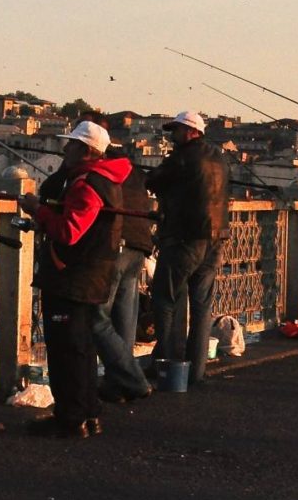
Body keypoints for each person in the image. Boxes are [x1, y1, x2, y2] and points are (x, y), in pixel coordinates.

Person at [18, 120, 129, 437]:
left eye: (72, 144)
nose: (65, 149)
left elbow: (69, 231)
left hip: (72, 276)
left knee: (66, 351)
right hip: (91, 273)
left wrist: (38, 210)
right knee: (81, 348)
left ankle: (71, 419)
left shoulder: (86, 183)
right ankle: (88, 414)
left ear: (86, 150)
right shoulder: (107, 180)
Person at [145, 110, 230, 385]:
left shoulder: (182, 158)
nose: (172, 135)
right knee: (202, 306)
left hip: (185, 238)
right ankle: (196, 372)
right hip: (217, 239)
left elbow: (152, 181)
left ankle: (168, 366)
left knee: (165, 299)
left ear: (192, 132)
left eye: (177, 130)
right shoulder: (219, 157)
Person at [95, 144, 154, 403]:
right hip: (140, 247)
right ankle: (117, 381)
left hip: (117, 246)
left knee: (97, 316)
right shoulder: (137, 174)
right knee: (125, 318)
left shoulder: (107, 175)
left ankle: (131, 378)